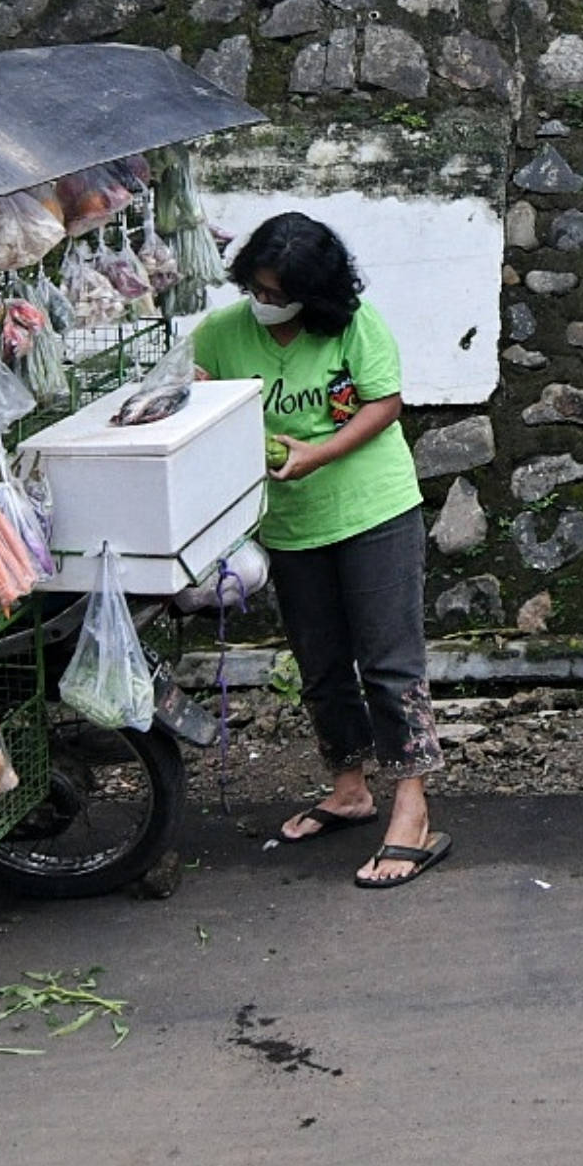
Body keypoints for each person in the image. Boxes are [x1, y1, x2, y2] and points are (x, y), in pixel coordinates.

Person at [190, 213, 446, 888]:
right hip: (289, 524)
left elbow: (383, 404)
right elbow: (198, 406)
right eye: (257, 287)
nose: (265, 301)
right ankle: (350, 788)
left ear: (317, 291)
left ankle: (412, 810)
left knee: (389, 665)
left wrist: (317, 453)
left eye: (279, 292)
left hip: (373, 510)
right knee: (321, 665)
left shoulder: (354, 325)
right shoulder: (219, 335)